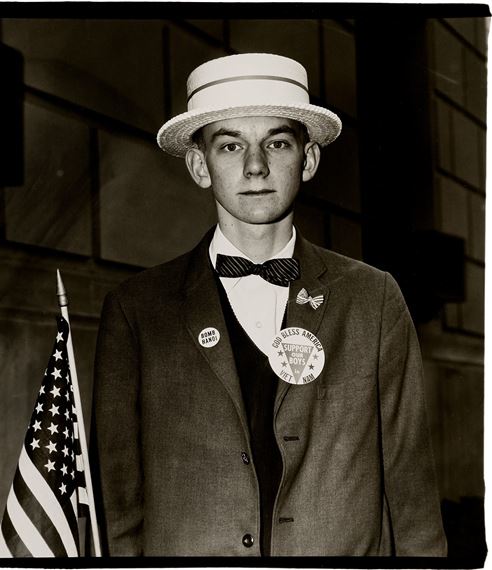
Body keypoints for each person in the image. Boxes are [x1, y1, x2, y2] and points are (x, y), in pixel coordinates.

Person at [91, 53, 447, 557]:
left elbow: (412, 500)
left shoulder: (373, 299)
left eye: (277, 143)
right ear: (198, 164)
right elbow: (117, 508)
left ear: (308, 159)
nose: (255, 166)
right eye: (230, 145)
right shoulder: (137, 310)